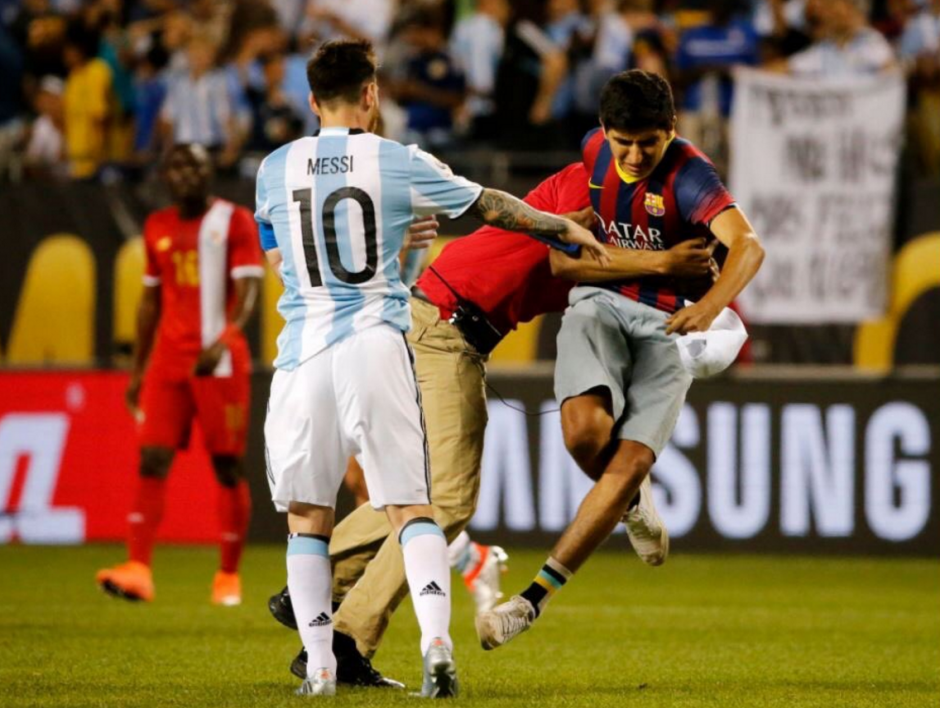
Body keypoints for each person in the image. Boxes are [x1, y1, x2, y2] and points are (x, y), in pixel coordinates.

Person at [269, 158, 717, 687]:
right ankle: (344, 635)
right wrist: (666, 262)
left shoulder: (627, 225)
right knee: (447, 499)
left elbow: (609, 280)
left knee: (421, 492)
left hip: (438, 322)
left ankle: (320, 585)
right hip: (444, 325)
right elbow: (562, 259)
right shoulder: (597, 181)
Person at [255, 38, 604, 698]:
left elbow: (278, 252)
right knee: (430, 502)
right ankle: (405, 641)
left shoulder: (274, 167)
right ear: (370, 94)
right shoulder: (396, 161)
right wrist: (558, 226)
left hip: (304, 349)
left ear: (308, 100)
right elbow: (493, 205)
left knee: (311, 513)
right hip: (395, 336)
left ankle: (325, 635)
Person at [476, 69, 765, 650]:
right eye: (622, 141)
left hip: (670, 325)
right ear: (603, 131)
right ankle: (633, 504)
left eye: (648, 143)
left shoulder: (692, 176)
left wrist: (709, 306)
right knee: (585, 438)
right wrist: (655, 263)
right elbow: (564, 267)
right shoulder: (591, 151)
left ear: (671, 130)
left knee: (629, 459)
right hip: (599, 306)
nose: (634, 155)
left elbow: (749, 245)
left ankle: (528, 604)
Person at [96, 144, 264, 607]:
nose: (186, 173)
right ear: (164, 176)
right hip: (169, 362)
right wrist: (137, 369)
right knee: (151, 459)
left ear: (211, 172)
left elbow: (250, 288)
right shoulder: (157, 226)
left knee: (226, 466)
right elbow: (150, 301)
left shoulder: (234, 220)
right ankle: (137, 569)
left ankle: (228, 574)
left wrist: (225, 338)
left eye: (194, 164)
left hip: (219, 361)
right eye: (176, 166)